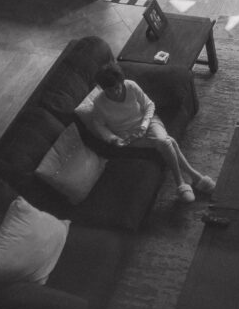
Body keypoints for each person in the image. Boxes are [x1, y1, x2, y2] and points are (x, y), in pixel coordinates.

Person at [86, 62, 215, 203]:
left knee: (163, 141)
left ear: (121, 82)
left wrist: (144, 124)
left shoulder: (131, 86)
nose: (115, 92)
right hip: (127, 136)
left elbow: (149, 105)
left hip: (148, 122)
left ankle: (181, 182)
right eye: (109, 91)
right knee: (168, 142)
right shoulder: (99, 102)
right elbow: (99, 125)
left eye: (117, 87)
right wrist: (113, 138)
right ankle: (195, 178)